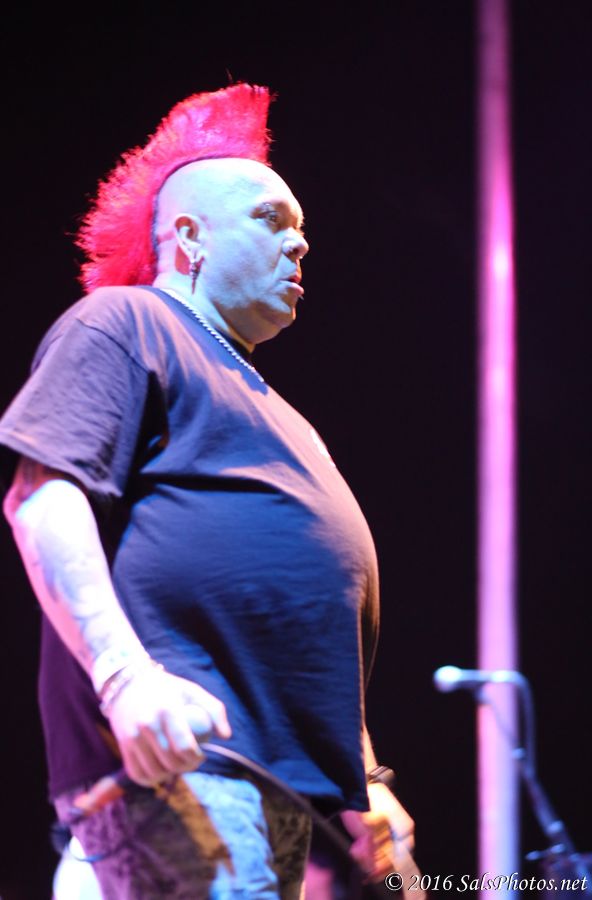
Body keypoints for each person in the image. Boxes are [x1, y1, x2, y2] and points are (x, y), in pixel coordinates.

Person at [0, 84, 415, 898]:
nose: (300, 243)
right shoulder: (126, 323)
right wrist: (125, 678)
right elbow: (41, 497)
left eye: (302, 228)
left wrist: (366, 783)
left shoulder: (280, 412)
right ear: (188, 235)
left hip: (293, 804)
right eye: (271, 219)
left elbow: (309, 621)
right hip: (183, 771)